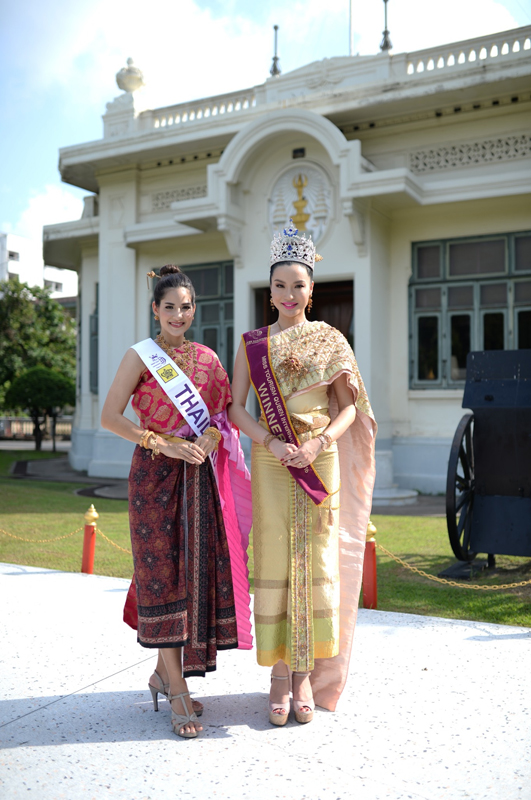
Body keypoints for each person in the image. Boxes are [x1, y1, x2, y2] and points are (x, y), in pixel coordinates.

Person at [229, 221, 376, 725]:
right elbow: (236, 409)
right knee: (274, 552)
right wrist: (270, 441)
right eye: (280, 285)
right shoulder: (252, 343)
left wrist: (316, 442)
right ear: (269, 292)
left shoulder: (331, 340)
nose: (289, 294)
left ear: (312, 290)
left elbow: (348, 409)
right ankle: (277, 673)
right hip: (273, 459)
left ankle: (305, 675)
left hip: (320, 456)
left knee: (316, 558)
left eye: (299, 285)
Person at [101, 265, 252, 739]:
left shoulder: (207, 359)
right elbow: (110, 416)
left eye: (186, 307)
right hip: (154, 476)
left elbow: (222, 416)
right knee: (161, 577)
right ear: (155, 310)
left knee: (192, 577)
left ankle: (165, 675)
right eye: (170, 307)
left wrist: (208, 437)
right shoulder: (140, 357)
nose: (179, 314)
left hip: (198, 478)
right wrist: (160, 443)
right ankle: (178, 690)